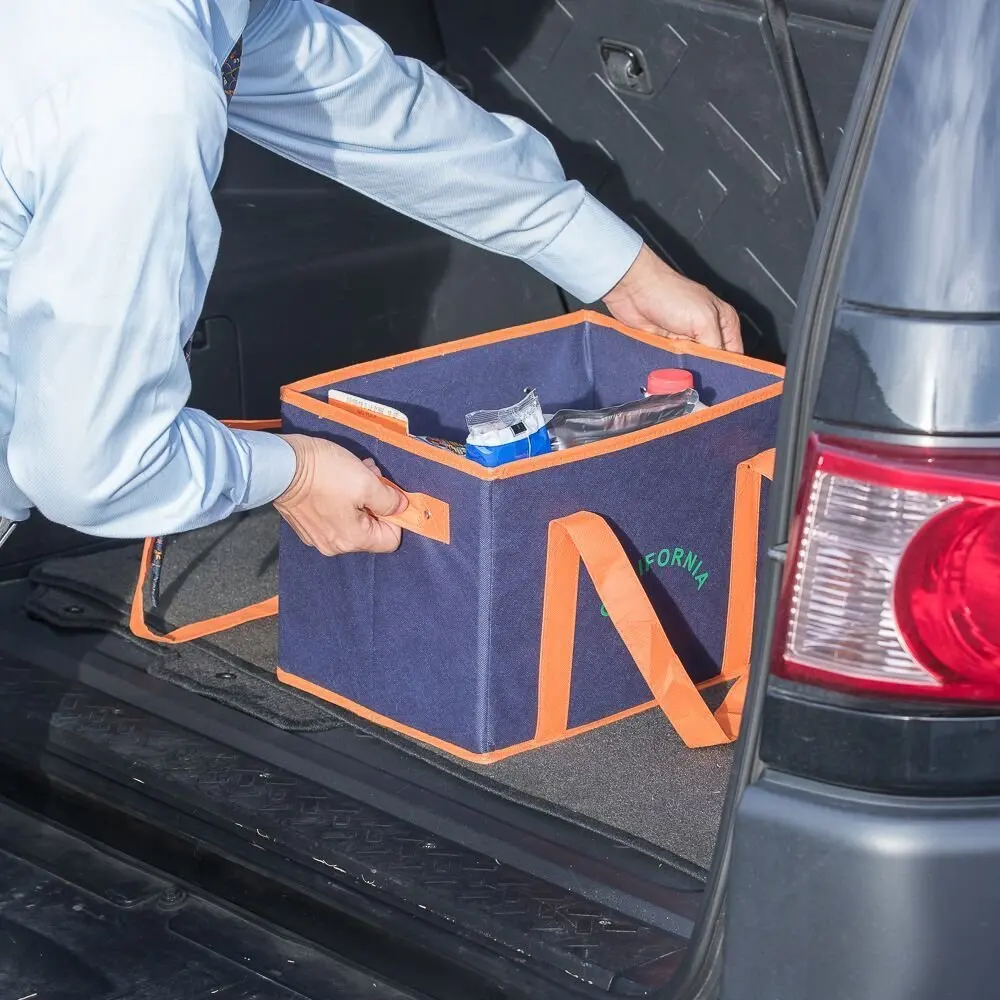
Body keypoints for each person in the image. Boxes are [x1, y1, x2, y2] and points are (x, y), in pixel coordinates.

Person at [0, 0, 743, 559]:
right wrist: (288, 475)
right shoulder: (139, 91)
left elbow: (365, 105)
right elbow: (91, 468)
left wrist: (620, 265)